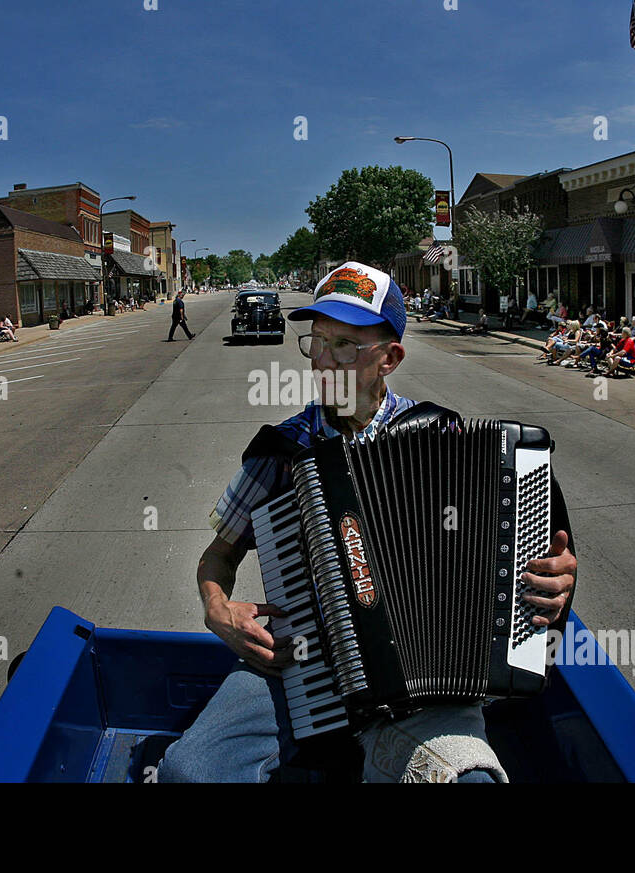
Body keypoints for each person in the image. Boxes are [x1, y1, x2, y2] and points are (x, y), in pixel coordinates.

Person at [156, 261, 577, 783]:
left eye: (346, 347)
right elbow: (218, 555)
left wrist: (550, 581)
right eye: (318, 343)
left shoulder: (447, 443)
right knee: (189, 772)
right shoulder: (283, 449)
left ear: (390, 358)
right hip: (302, 664)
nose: (324, 362)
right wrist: (218, 609)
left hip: (428, 689)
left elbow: (517, 568)